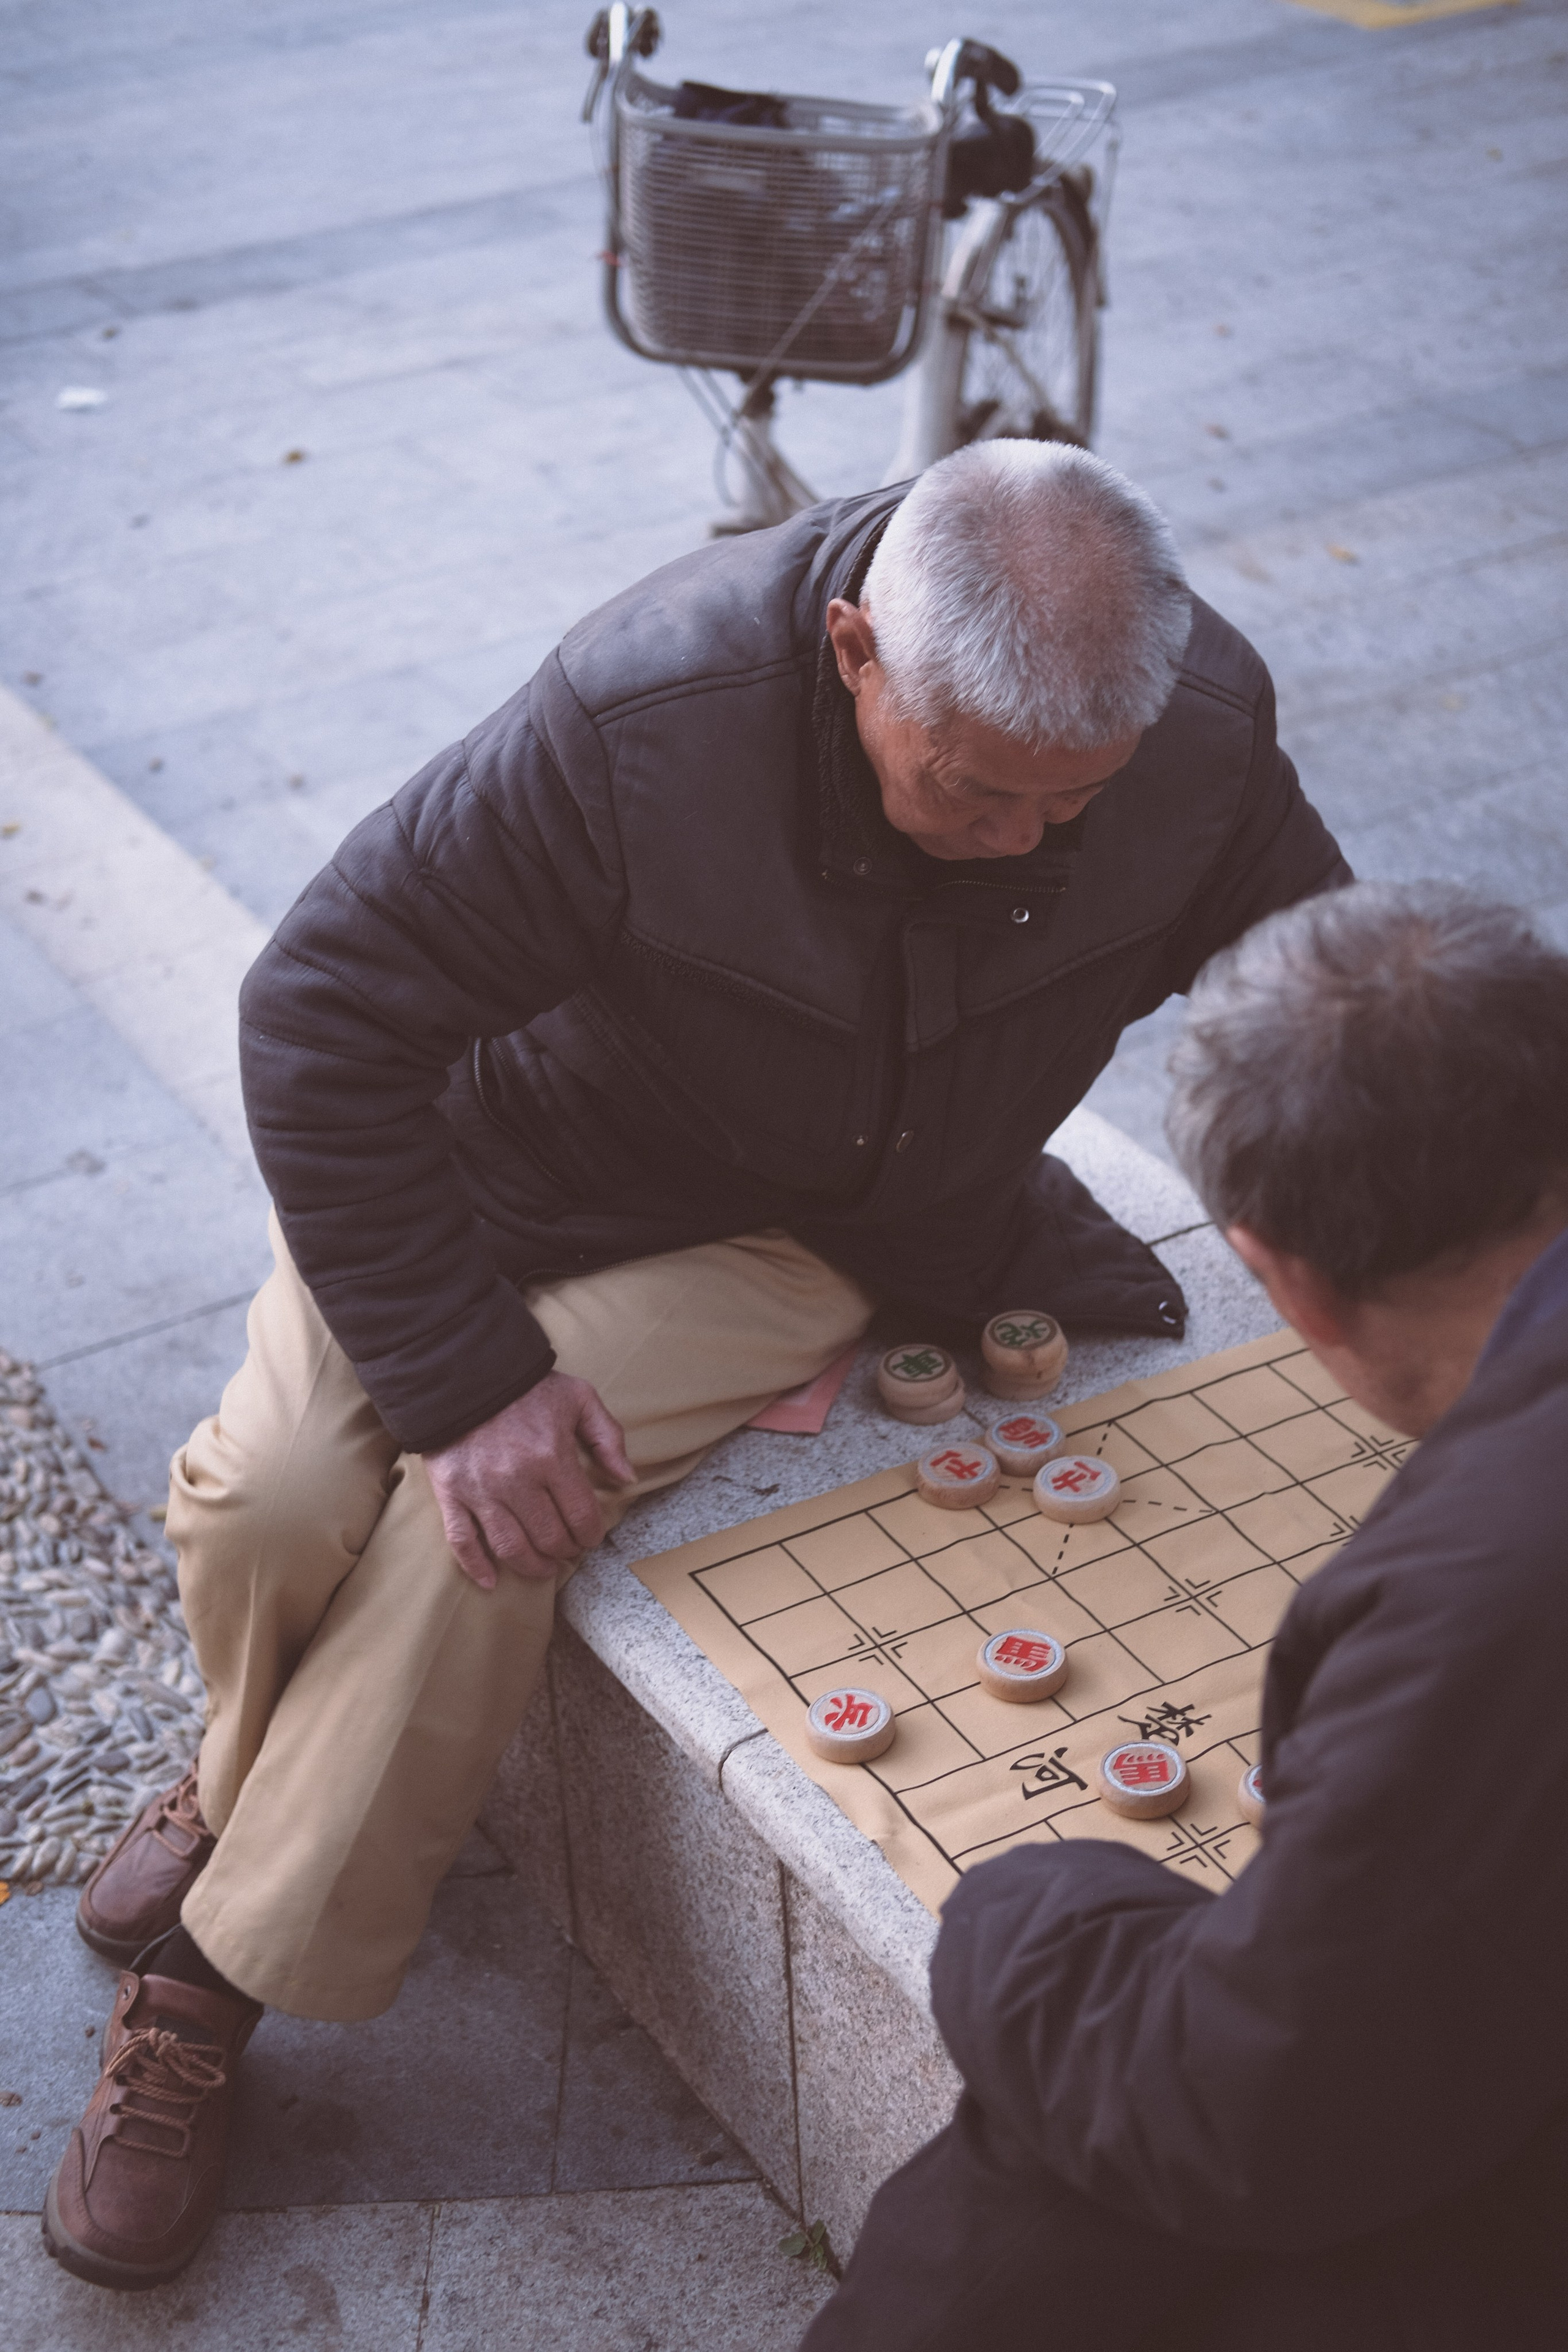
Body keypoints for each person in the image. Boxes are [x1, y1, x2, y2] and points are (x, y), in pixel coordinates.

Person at [43, 440, 1347, 2289]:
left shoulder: (1195, 725)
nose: (1028, 848)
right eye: (972, 793)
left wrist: (1424, 1246)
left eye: (1078, 806)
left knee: (476, 1536)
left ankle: (204, 1990)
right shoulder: (642, 716)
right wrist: (466, 1375)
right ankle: (240, 1778)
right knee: (270, 1500)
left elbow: (1322, 997)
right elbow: (321, 1012)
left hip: (809, 1227)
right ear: (850, 651)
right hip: (504, 1162)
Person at [801, 881, 1568, 2352]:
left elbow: (1258, 2107)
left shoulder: (1489, 1589)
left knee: (1063, 2162)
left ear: (1273, 1273)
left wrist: (1018, 1917)